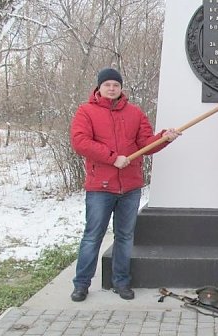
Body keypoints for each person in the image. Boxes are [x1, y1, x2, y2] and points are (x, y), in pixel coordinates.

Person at [69, 68, 181, 302]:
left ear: (121, 88)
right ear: (99, 87)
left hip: (130, 187)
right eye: (107, 84)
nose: (112, 88)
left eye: (115, 85)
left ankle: (121, 282)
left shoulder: (135, 113)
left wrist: (164, 137)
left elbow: (146, 143)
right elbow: (80, 142)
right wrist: (112, 157)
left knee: (125, 236)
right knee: (92, 236)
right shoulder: (86, 111)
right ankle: (81, 284)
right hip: (100, 187)